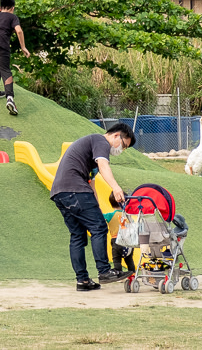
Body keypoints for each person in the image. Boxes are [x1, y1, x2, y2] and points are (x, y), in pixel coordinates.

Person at [50, 123, 135, 291]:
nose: (121, 150)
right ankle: (104, 272)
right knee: (99, 228)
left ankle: (82, 280)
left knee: (78, 235)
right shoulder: (100, 141)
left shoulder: (91, 151)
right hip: (74, 189)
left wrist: (97, 208)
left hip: (61, 193)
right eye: (124, 145)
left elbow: (92, 183)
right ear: (116, 135)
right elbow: (104, 166)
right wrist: (116, 188)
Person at [103, 192, 135, 276]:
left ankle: (119, 273)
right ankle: (133, 274)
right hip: (128, 241)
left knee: (116, 259)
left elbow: (100, 217)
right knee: (129, 259)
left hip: (116, 240)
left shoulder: (110, 215)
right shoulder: (128, 215)